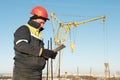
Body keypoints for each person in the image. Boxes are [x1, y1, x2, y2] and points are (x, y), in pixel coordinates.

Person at [13, 6, 58, 80]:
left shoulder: (38, 35)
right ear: (33, 19)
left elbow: (35, 53)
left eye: (44, 23)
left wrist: (48, 54)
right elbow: (21, 45)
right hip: (24, 74)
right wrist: (42, 52)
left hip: (36, 73)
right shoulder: (24, 29)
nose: (42, 25)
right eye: (41, 22)